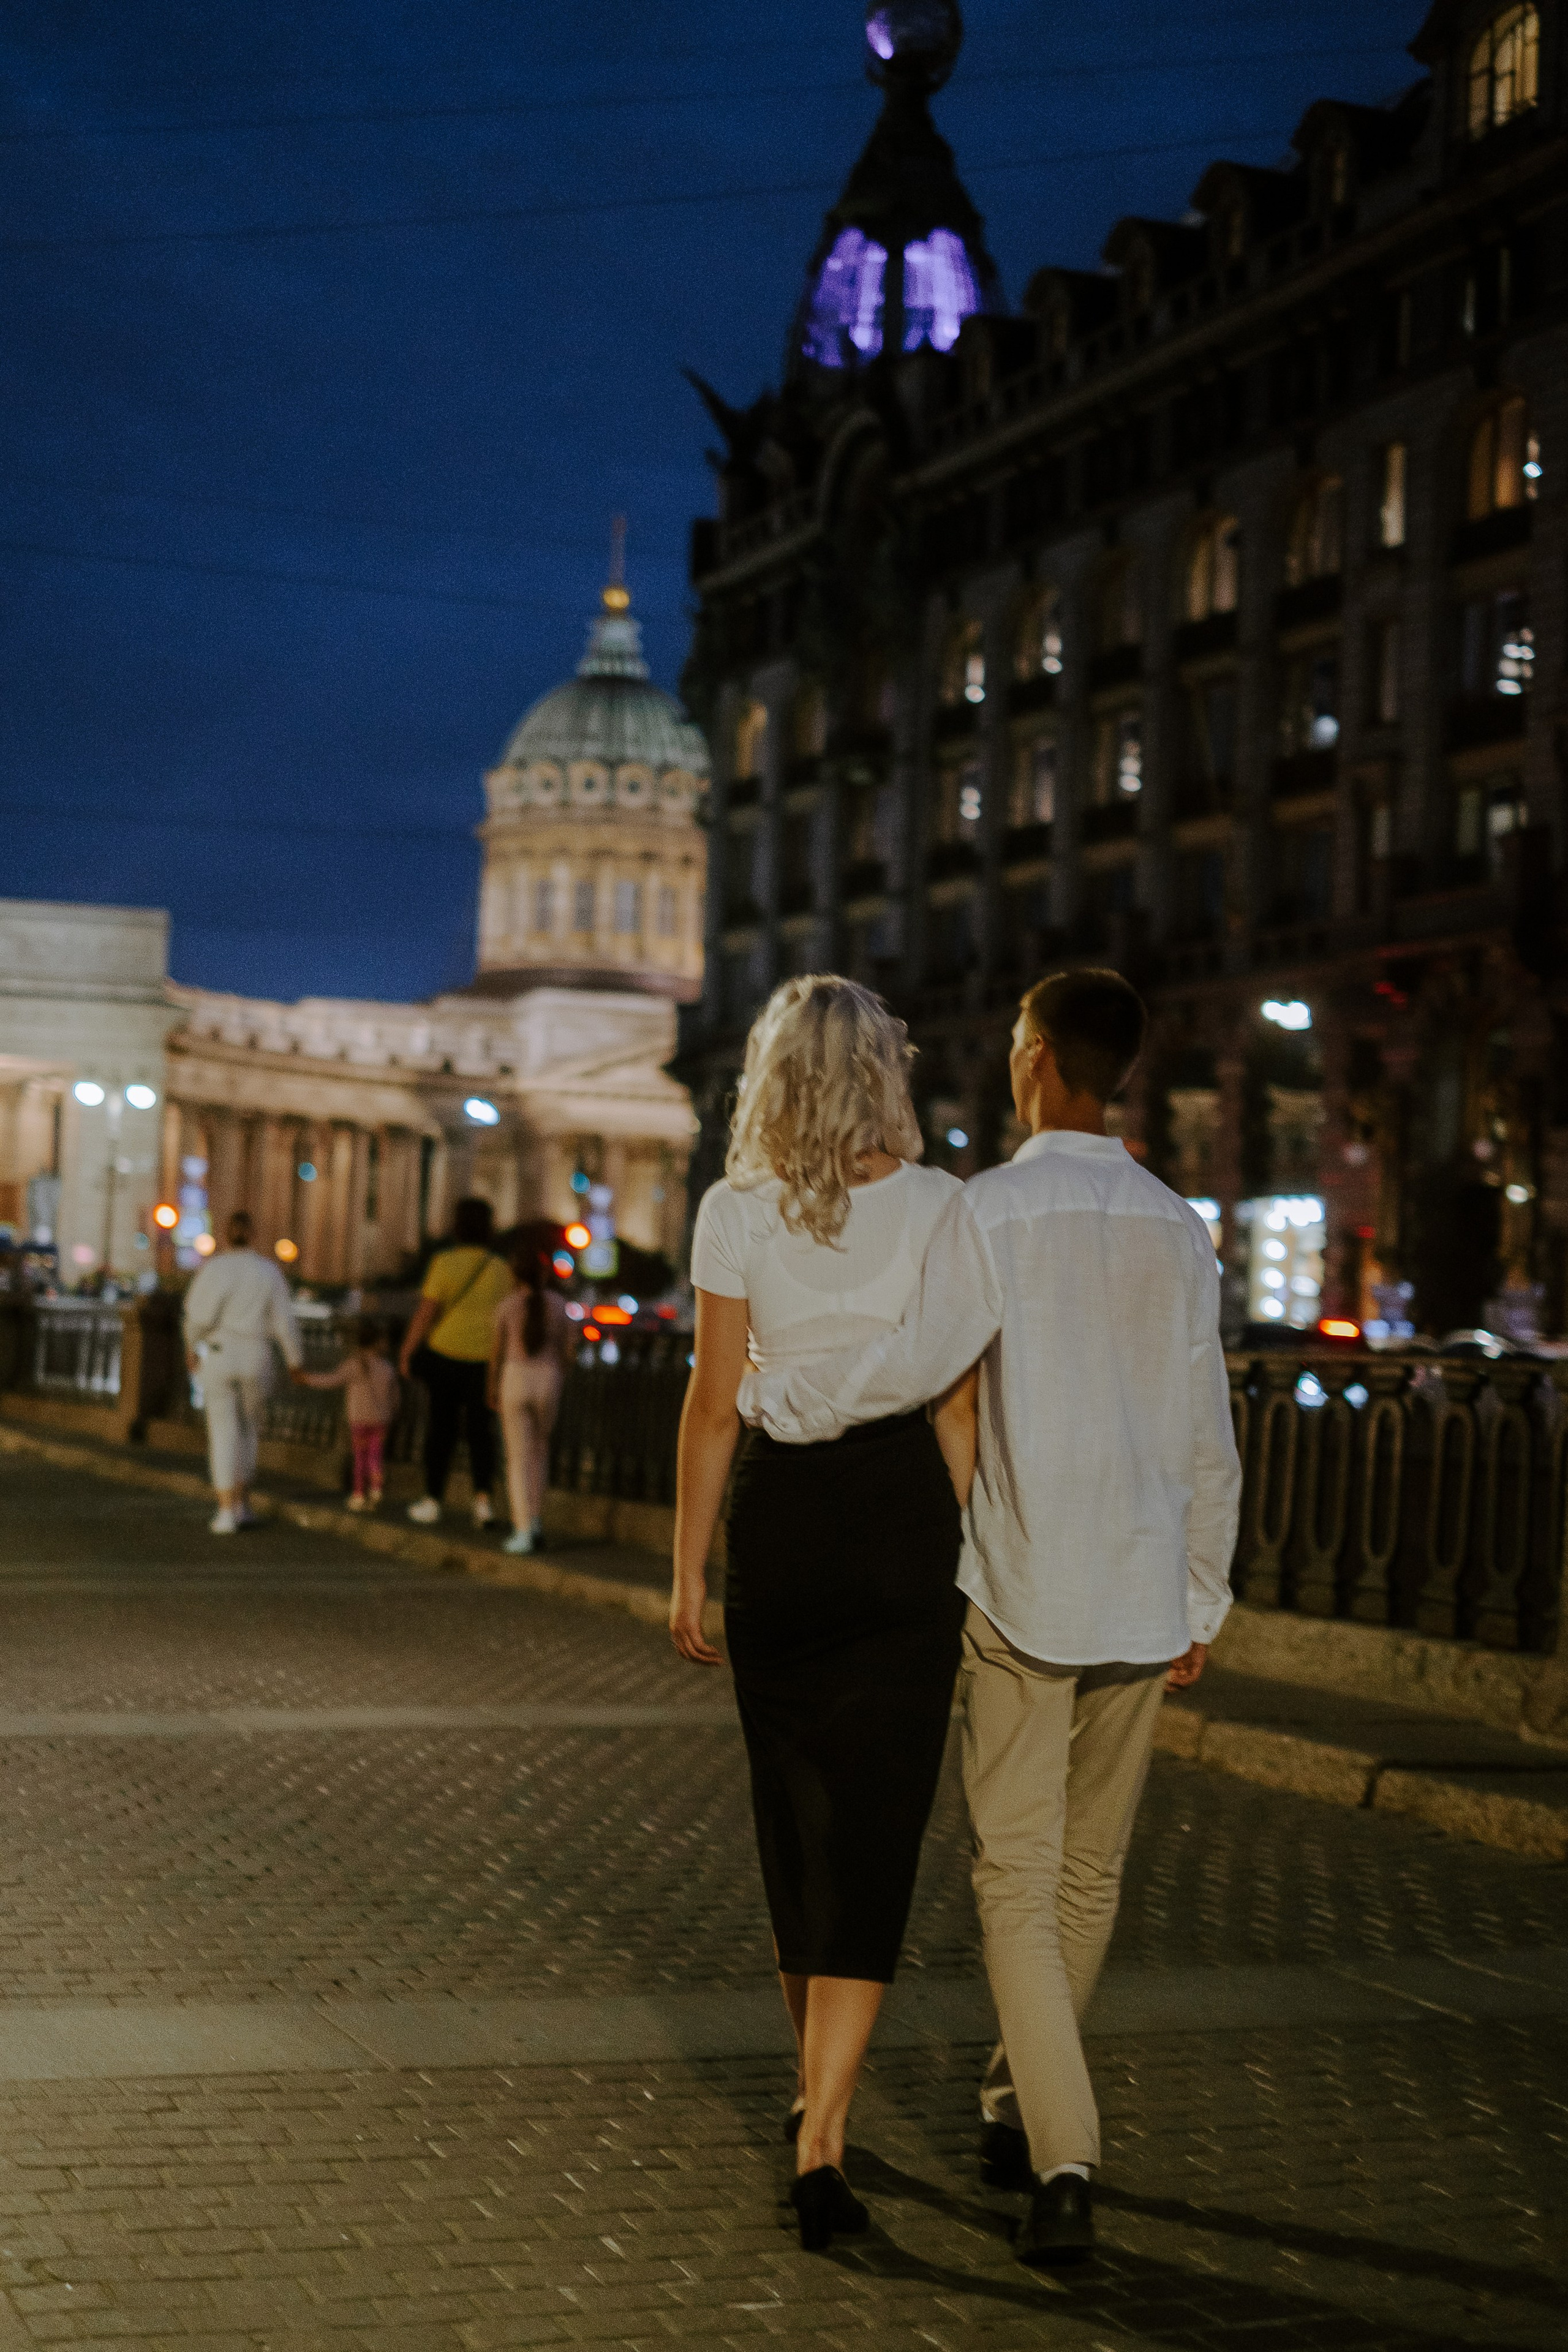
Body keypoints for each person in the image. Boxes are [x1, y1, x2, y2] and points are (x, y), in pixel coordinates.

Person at [742, 968, 1241, 2269]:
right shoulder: (1179, 1226)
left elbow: (916, 1360)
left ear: (1031, 1059)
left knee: (1014, 1884)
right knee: (1086, 1878)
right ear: (1117, 1071)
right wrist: (1205, 1588)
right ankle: (1015, 2109)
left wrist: (784, 1404)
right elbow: (1208, 1426)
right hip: (1141, 1586)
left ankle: (1061, 2157)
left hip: (1024, 1584)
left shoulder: (994, 1212)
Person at [669, 976, 976, 2255]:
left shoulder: (735, 1211)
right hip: (900, 1510)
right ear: (883, 1076)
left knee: (792, 1815)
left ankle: (817, 2108)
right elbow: (959, 1408)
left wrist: (687, 1568)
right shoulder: (944, 1208)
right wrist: (944, 1550)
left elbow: (711, 1398)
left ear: (770, 1075)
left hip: (783, 1521)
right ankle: (820, 2137)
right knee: (877, 1828)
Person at [182, 1209, 303, 1534]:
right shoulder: (268, 1272)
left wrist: (191, 1347)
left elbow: (197, 1317)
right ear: (253, 1234)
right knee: (249, 1430)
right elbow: (284, 1323)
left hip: (220, 1356)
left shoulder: (214, 1270)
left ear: (225, 1234)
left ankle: (224, 1511)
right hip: (256, 1355)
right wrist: (295, 1361)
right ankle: (242, 1503)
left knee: (222, 1432)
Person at [398, 1197, 511, 1527]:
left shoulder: (444, 1263)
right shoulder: (500, 1268)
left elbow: (427, 1312)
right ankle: (483, 1502)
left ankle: (433, 1499)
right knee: (481, 1433)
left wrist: (407, 1351)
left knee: (441, 1430)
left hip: (445, 1355)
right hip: (485, 1362)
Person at [488, 1246, 570, 1556]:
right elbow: (569, 1353)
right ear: (545, 1274)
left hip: (515, 1378)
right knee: (540, 1452)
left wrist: (491, 1387)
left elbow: (496, 1353)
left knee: (518, 1458)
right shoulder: (559, 1305)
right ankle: (535, 1521)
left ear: (515, 1274)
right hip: (549, 1379)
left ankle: (522, 1529)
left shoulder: (508, 1306)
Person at [293, 1314, 399, 1510]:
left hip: (359, 1420)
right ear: (379, 1344)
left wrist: (306, 1379)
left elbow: (331, 1380)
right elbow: (395, 1399)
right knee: (376, 1457)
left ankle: (359, 1495)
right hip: (381, 1421)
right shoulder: (387, 1368)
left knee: (360, 1457)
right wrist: (391, 1414)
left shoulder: (355, 1365)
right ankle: (376, 1489)